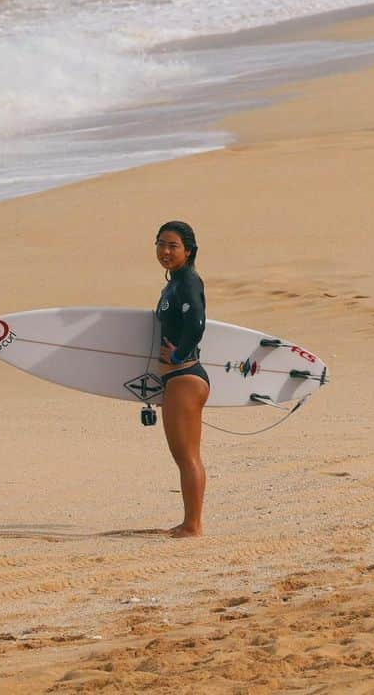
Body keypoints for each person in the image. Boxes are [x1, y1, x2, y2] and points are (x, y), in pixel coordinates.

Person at [154, 220, 209, 537]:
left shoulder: (188, 281)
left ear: (188, 251)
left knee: (187, 456)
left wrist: (177, 357)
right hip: (177, 380)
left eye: (173, 246)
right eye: (161, 244)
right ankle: (190, 522)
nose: (165, 251)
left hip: (185, 378)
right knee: (183, 455)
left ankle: (193, 525)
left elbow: (197, 323)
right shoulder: (174, 283)